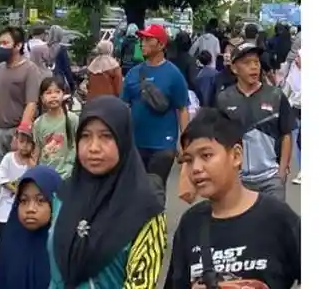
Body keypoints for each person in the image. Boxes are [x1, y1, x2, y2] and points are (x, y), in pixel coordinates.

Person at [166, 108, 301, 289]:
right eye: (189, 160)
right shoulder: (190, 223)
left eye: (206, 155)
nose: (196, 168)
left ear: (236, 155)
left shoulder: (278, 218)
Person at [49, 95, 167, 288]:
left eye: (106, 136)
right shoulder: (63, 195)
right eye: (85, 136)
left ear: (123, 140)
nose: (94, 147)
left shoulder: (146, 210)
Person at [216, 41, 295, 200]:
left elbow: (287, 133)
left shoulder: (276, 96)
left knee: (274, 224)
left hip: (270, 180)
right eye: (247, 63)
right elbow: (217, 137)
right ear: (234, 68)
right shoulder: (224, 99)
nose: (254, 67)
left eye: (256, 62)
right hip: (237, 180)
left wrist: (282, 171)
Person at [121, 24, 190, 197]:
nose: (142, 43)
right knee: (137, 191)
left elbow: (182, 109)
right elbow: (123, 106)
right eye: (141, 39)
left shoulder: (173, 75)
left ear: (161, 45)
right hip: (136, 144)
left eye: (147, 39)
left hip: (163, 146)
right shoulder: (133, 74)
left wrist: (185, 142)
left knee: (155, 189)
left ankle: (156, 222)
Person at [0, 26, 44, 208]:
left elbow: (31, 103)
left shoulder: (30, 69)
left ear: (18, 46)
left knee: (18, 181)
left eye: (5, 43)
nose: (1, 47)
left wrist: (21, 135)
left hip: (18, 132)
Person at [0, 165, 62, 289]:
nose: (30, 209)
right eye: (24, 201)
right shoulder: (10, 244)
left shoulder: (64, 249)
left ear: (55, 202)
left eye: (40, 200)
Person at [0, 120, 37, 245]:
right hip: (4, 210)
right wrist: (17, 191)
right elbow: (3, 180)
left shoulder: (32, 164)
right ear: (16, 140)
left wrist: (33, 166)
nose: (24, 146)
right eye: (22, 142)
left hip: (22, 210)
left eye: (28, 143)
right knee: (3, 243)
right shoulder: (8, 158)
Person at [34, 75, 78, 179]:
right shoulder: (38, 123)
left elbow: (76, 147)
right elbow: (37, 151)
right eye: (48, 93)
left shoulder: (72, 119)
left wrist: (70, 167)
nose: (53, 96)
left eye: (57, 92)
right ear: (42, 98)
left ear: (63, 94)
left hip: (67, 174)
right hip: (45, 174)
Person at [281, 45, 301, 185]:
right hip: (295, 109)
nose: (296, 58)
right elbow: (286, 91)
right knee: (295, 140)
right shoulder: (294, 72)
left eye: (299, 56)